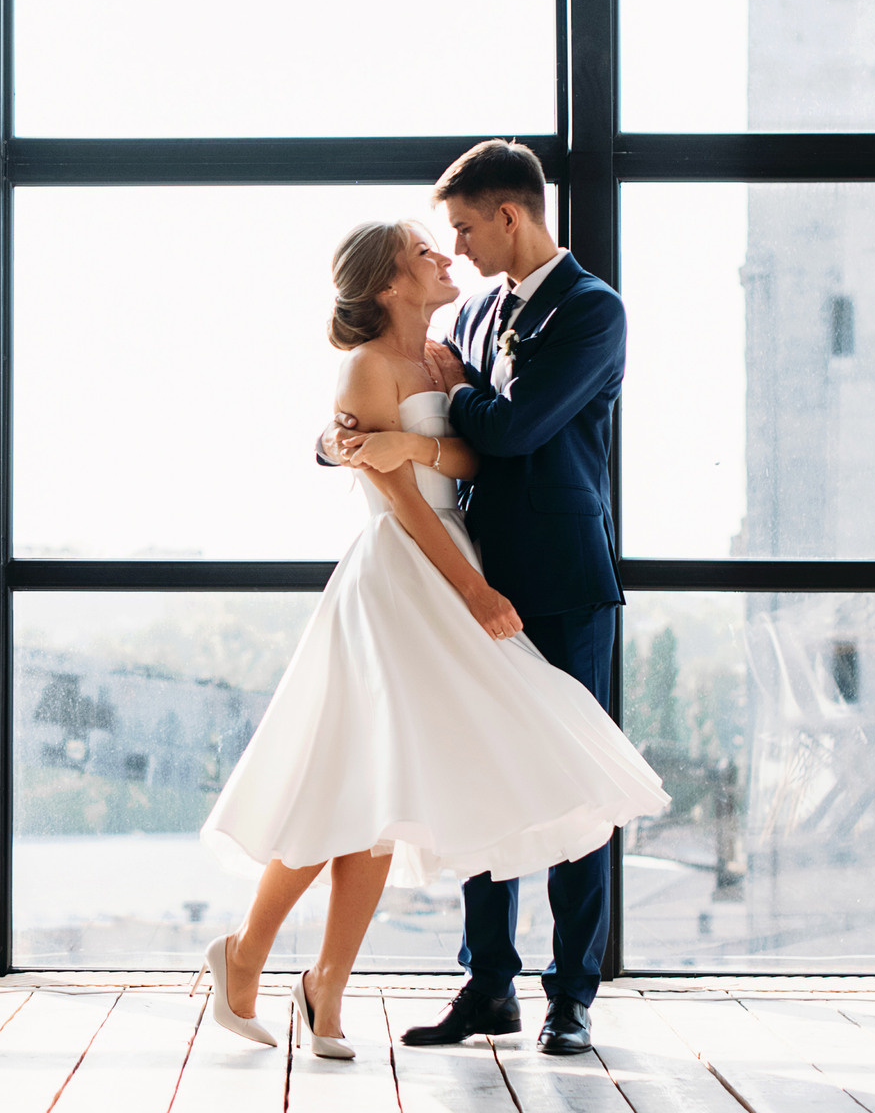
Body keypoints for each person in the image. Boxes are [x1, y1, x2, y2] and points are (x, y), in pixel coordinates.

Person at [198, 166, 665, 1061]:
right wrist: (352, 445)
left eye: (458, 229)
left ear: (507, 213)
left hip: (553, 576)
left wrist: (410, 441)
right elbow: (364, 417)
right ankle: (485, 984)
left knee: (561, 773)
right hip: (441, 577)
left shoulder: (591, 310)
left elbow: (512, 430)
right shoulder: (467, 322)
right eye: (431, 241)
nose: (454, 249)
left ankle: (571, 993)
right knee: (439, 776)